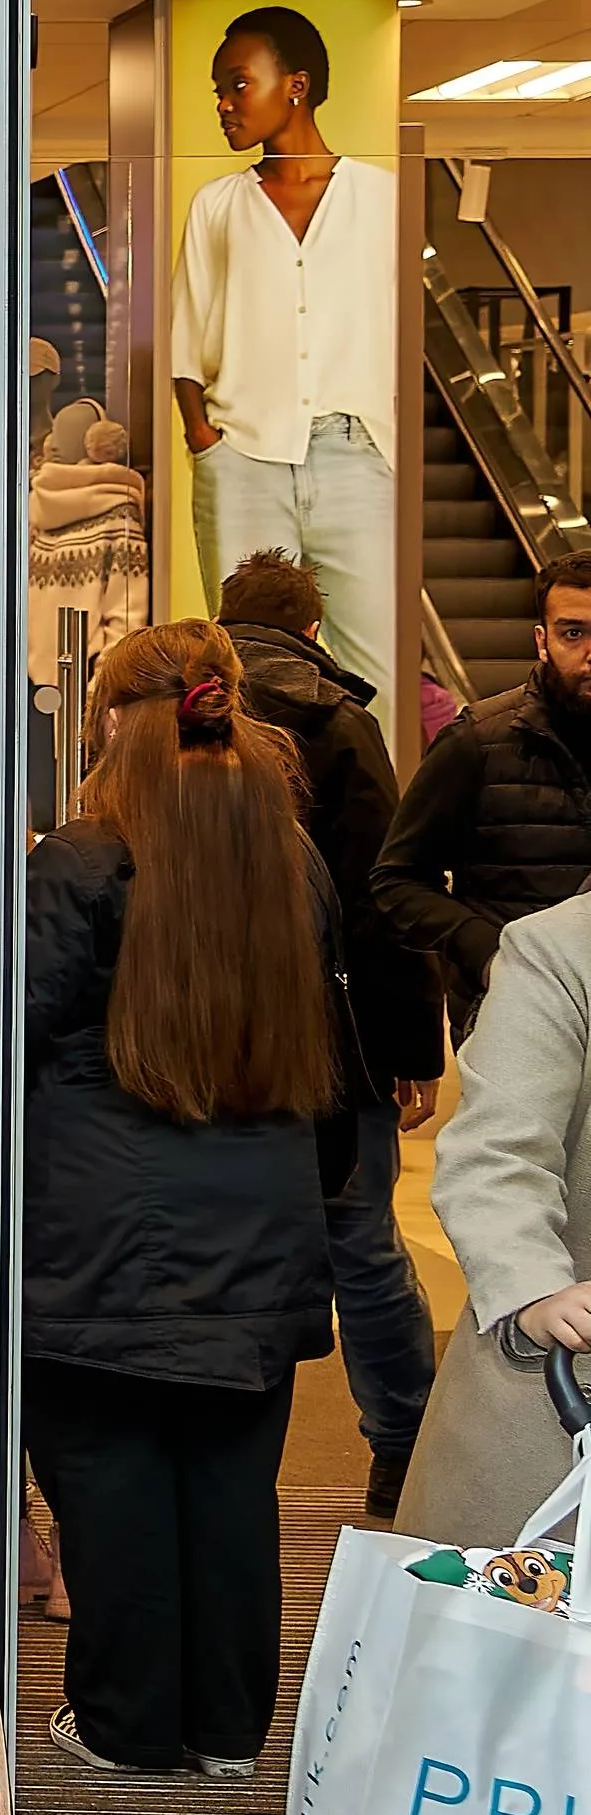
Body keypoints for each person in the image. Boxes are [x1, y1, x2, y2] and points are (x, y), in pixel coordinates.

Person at [21, 621, 350, 1779]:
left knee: (110, 1483)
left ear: (112, 721)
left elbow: (16, 1036)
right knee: (230, 1487)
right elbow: (335, 1055)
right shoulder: (291, 857)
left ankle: (125, 1722)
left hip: (98, 1235)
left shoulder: (77, 860)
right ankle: (225, 1731)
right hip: (260, 1228)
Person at [216, 546, 446, 1515]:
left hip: (210, 1035)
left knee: (220, 1244)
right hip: (334, 1039)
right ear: (313, 629)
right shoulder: (344, 724)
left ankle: (226, 1456)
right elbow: (382, 904)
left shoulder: (179, 713)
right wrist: (409, 1052)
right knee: (364, 1245)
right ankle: (404, 1448)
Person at [170, 4, 397, 687]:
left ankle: (368, 797)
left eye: (238, 84)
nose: (223, 104)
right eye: (219, 89)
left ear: (294, 85)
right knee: (245, 666)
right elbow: (187, 330)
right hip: (242, 458)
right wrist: (205, 440)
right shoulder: (217, 204)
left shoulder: (381, 198)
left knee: (371, 665)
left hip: (359, 457)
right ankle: (262, 796)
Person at [406, 886, 591, 1548]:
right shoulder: (564, 948)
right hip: (565, 1389)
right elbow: (497, 1153)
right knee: (526, 1623)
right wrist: (534, 1289)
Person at [376, 552, 591, 1027]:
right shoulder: (478, 740)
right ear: (543, 640)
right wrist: (494, 953)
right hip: (511, 1016)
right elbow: (397, 881)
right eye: (573, 633)